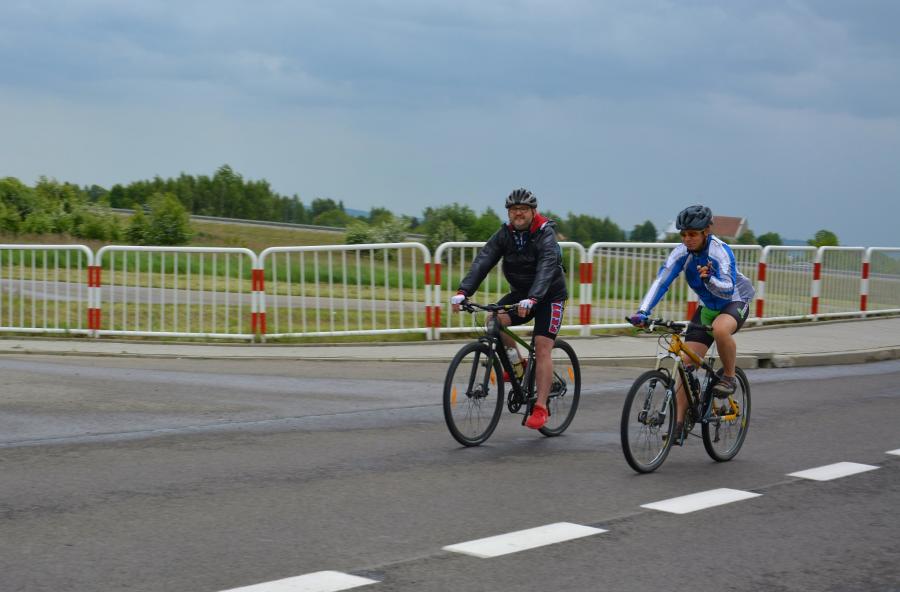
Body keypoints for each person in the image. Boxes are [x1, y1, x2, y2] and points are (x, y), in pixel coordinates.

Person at [628, 204, 755, 444]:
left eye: (693, 234)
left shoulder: (720, 251)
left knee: (720, 329)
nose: (687, 239)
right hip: (708, 308)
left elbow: (728, 288)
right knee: (686, 365)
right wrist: (643, 311)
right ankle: (679, 424)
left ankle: (729, 377)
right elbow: (662, 280)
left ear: (706, 231)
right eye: (684, 234)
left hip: (735, 301)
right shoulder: (681, 253)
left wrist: (710, 280)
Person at [450, 188, 568, 430]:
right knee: (494, 320)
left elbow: (547, 266)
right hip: (522, 295)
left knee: (542, 347)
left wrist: (534, 298)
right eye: (513, 209)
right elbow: (484, 259)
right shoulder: (505, 234)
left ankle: (541, 407)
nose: (518, 213)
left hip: (549, 296)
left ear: (533, 211)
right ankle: (518, 366)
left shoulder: (545, 234)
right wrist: (463, 292)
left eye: (523, 209)